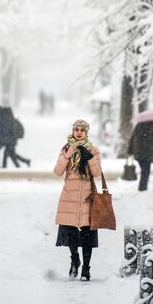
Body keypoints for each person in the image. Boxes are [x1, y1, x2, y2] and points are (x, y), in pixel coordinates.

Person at [53, 119, 102, 282]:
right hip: (70, 197)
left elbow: (96, 173)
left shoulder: (93, 150)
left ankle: (86, 268)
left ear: (86, 132)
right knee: (72, 233)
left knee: (87, 234)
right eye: (76, 129)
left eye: (82, 130)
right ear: (73, 131)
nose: (79, 132)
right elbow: (57, 171)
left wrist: (89, 158)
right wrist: (68, 155)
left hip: (88, 197)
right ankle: (75, 259)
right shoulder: (66, 148)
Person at [127, 120, 153, 191]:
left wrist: (130, 151)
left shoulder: (138, 125)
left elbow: (132, 138)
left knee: (144, 171)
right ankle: (142, 188)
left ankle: (142, 187)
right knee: (146, 171)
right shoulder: (150, 126)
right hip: (147, 153)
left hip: (138, 153)